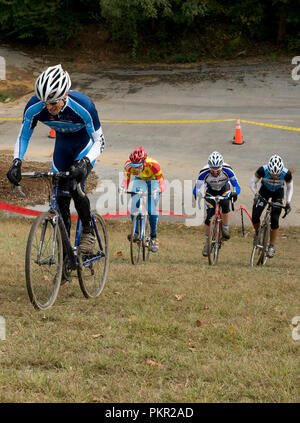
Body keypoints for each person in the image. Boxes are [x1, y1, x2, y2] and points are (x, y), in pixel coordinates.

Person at [6, 64, 105, 259]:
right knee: (60, 198)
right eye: (45, 103)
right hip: (62, 147)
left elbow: (100, 141)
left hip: (84, 146)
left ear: (65, 94)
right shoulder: (35, 107)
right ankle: (65, 253)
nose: (48, 108)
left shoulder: (84, 106)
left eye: (53, 103)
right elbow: (23, 136)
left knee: (76, 186)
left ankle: (87, 231)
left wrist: (85, 162)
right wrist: (16, 162)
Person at [193, 151, 240, 257]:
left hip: (224, 188)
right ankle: (207, 243)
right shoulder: (203, 172)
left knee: (225, 203)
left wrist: (235, 193)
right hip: (211, 191)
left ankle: (225, 228)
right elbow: (196, 188)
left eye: (218, 171)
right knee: (209, 217)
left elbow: (236, 186)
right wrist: (197, 194)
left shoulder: (228, 170)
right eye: (212, 171)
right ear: (209, 167)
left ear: (221, 166)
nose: (215, 173)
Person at [120, 147, 166, 252]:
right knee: (134, 204)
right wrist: (123, 188)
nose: (136, 169)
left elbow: (161, 182)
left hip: (153, 181)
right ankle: (135, 232)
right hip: (139, 180)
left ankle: (154, 238)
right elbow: (125, 179)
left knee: (151, 210)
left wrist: (158, 190)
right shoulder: (128, 166)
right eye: (134, 166)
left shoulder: (154, 165)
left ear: (144, 162)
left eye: (138, 166)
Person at [250, 154, 293, 258]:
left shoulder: (286, 173)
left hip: (278, 193)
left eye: (277, 174)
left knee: (274, 219)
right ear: (268, 169)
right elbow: (252, 183)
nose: (275, 176)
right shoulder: (262, 170)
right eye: (272, 174)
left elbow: (289, 188)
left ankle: (271, 246)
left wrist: (288, 203)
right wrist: (256, 194)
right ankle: (257, 234)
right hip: (264, 191)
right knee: (255, 215)